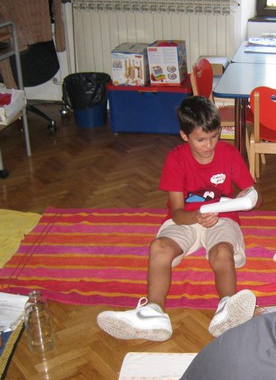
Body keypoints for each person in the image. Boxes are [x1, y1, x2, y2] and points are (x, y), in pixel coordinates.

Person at [97, 96, 260, 341]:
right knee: (159, 248)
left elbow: (253, 192)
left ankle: (227, 309)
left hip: (223, 215)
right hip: (187, 218)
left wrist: (250, 197)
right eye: (201, 139)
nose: (209, 145)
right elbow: (177, 213)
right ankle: (153, 311)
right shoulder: (175, 159)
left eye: (214, 136)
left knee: (222, 252)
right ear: (184, 135)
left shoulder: (229, 153)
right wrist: (196, 216)